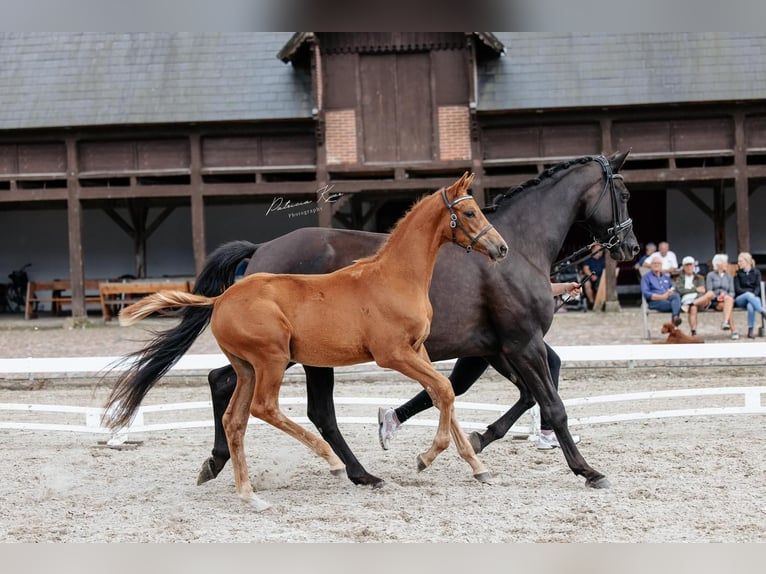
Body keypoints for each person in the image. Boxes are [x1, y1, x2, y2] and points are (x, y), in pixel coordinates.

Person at [378, 282, 583, 452]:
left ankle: (395, 417)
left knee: (457, 385)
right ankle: (548, 431)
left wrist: (563, 288)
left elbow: (531, 287)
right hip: (499, 332)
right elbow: (526, 288)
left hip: (486, 334)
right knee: (552, 361)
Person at [674, 255, 714, 336]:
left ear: (694, 266)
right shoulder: (678, 278)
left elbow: (702, 291)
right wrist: (695, 289)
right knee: (693, 308)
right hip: (686, 300)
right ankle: (693, 331)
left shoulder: (700, 278)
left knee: (710, 294)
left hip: (699, 300)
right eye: (687, 265)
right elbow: (680, 290)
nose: (689, 267)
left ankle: (691, 304)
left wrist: (694, 296)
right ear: (683, 267)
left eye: (690, 265)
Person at [641, 254, 682, 326]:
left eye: (658, 263)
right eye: (654, 263)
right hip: (655, 302)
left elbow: (672, 288)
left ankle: (675, 319)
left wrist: (671, 291)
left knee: (676, 296)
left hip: (667, 299)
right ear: (651, 265)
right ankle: (674, 324)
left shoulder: (665, 277)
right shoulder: (646, 277)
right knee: (676, 305)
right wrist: (662, 296)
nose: (656, 265)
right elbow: (646, 293)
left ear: (661, 265)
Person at [706, 253, 739, 340]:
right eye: (725, 263)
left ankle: (725, 322)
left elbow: (732, 292)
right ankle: (733, 330)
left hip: (727, 300)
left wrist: (725, 296)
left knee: (729, 300)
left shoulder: (729, 277)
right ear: (718, 264)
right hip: (715, 301)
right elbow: (709, 291)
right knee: (729, 306)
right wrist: (717, 297)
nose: (727, 264)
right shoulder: (710, 275)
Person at [733, 252, 765, 339]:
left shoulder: (756, 272)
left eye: (740, 261)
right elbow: (738, 289)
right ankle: (762, 311)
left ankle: (750, 331)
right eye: (738, 261)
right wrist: (749, 294)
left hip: (753, 298)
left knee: (751, 306)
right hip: (740, 299)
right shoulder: (737, 274)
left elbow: (758, 287)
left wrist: (753, 295)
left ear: (747, 261)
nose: (738, 263)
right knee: (748, 295)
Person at [581, 245, 605, 309]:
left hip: (600, 278)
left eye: (601, 250)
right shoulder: (588, 259)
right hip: (590, 277)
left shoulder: (604, 260)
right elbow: (586, 269)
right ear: (593, 250)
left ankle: (599, 302)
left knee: (601, 284)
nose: (600, 251)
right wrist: (592, 276)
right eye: (598, 250)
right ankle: (592, 303)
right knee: (586, 283)